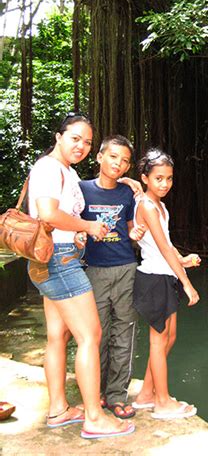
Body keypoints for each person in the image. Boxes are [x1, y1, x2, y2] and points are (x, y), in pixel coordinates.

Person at [27, 112, 135, 439]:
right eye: (75, 138)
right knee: (91, 335)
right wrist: (87, 226)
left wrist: (78, 231)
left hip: (53, 257)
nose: (82, 146)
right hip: (60, 261)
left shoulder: (66, 172)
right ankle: (93, 417)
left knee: (57, 336)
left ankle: (59, 408)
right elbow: (47, 213)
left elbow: (63, 216)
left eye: (87, 141)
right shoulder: (48, 167)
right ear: (59, 136)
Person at [131, 148, 201, 419]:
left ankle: (146, 395)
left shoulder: (161, 206)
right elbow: (159, 247)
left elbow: (166, 246)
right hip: (153, 279)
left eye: (169, 178)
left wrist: (182, 261)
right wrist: (187, 284)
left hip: (164, 275)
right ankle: (162, 403)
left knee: (169, 337)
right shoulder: (147, 206)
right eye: (158, 178)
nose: (164, 183)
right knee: (159, 342)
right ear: (145, 178)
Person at [79, 135, 145, 420]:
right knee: (96, 334)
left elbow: (131, 228)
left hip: (126, 268)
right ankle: (95, 393)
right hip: (93, 270)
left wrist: (134, 234)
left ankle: (117, 395)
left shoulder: (127, 194)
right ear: (99, 157)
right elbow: (69, 222)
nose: (118, 163)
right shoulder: (80, 190)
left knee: (124, 334)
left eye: (125, 160)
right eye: (113, 156)